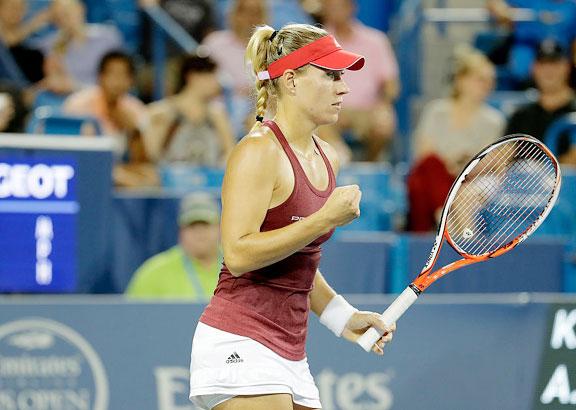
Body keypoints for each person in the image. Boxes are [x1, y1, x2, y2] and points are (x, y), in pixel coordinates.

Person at [189, 23, 396, 410]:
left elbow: (298, 261)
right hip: (240, 341)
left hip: (289, 353)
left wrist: (343, 317)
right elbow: (238, 254)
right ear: (292, 80)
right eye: (331, 75)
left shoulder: (327, 157)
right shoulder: (257, 152)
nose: (344, 87)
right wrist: (323, 220)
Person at [408, 47, 505, 231]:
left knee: (424, 182)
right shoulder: (436, 111)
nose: (487, 86)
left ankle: (442, 220)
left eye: (491, 81)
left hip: (467, 180)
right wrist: (452, 163)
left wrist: (462, 165)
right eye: (480, 80)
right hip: (437, 176)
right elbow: (424, 153)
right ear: (461, 80)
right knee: (428, 168)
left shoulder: (494, 120)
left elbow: (488, 162)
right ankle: (444, 216)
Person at [319, 0, 399, 161]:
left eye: (340, 5)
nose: (335, 10)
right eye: (331, 6)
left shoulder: (376, 41)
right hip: (330, 108)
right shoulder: (317, 43)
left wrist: (382, 105)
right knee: (316, 118)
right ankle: (341, 162)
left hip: (368, 110)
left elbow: (391, 85)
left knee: (384, 122)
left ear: (352, 7)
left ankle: (370, 166)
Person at [62, 50, 154, 187]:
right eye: (113, 74)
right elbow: (71, 150)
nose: (118, 81)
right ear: (101, 77)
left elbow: (142, 161)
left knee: (152, 177)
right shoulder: (77, 105)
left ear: (131, 81)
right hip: (81, 166)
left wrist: (134, 132)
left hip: (118, 167)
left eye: (124, 75)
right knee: (127, 181)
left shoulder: (136, 110)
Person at [126, 191, 222, 300]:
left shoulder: (239, 270)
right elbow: (130, 314)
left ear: (220, 228)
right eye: (192, 225)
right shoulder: (153, 273)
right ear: (180, 231)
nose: (199, 232)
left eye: (206, 224)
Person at [143, 54, 235, 166]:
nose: (217, 83)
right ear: (193, 77)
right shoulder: (160, 111)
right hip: (171, 179)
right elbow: (152, 155)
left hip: (210, 179)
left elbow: (230, 153)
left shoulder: (217, 114)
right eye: (212, 76)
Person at [202, 0, 269, 139]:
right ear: (234, 15)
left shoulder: (271, 48)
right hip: (220, 106)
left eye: (257, 13)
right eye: (245, 12)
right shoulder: (214, 43)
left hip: (257, 107)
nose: (251, 18)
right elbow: (200, 78)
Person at [38, 0, 123, 94]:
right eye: (59, 15)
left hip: (105, 98)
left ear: (82, 9)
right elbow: (55, 81)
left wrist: (76, 87)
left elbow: (118, 80)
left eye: (68, 12)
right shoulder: (51, 45)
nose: (65, 19)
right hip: (66, 99)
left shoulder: (108, 37)